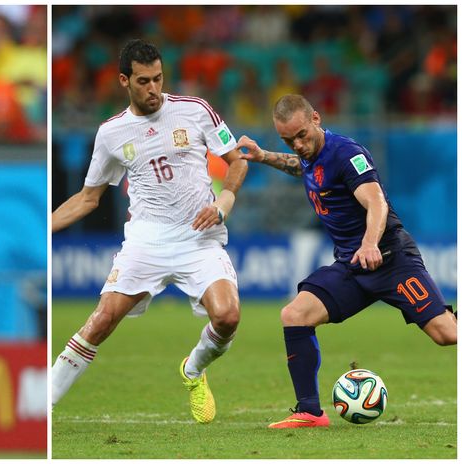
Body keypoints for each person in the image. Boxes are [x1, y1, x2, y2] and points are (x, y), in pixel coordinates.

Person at [51, 39, 248, 424]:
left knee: (227, 317)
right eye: (143, 81)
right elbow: (87, 198)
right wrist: (45, 229)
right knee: (103, 319)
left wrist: (223, 204)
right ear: (124, 81)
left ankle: (193, 369)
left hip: (199, 238)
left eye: (158, 78)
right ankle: (46, 407)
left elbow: (236, 161)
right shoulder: (111, 134)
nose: (153, 88)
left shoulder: (195, 110)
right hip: (146, 241)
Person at [235, 94, 457, 429]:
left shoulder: (346, 154)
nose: (297, 145)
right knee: (294, 315)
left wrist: (369, 244)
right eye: (287, 140)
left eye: (301, 136)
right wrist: (264, 156)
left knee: (447, 335)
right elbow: (302, 167)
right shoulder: (310, 154)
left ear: (316, 119)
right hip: (352, 266)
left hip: (390, 258)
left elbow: (377, 202)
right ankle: (310, 411)